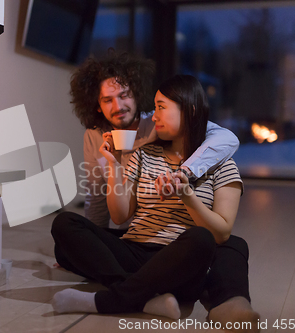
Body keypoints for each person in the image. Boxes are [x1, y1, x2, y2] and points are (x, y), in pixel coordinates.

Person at [53, 75, 260, 332]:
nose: (154, 116)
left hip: (179, 261)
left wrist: (187, 195)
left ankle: (110, 299)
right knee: (65, 224)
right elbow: (119, 216)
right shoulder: (144, 153)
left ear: (190, 110)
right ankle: (145, 297)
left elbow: (222, 232)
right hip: (136, 250)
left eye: (161, 107)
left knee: (204, 239)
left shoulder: (222, 163)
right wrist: (114, 164)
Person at [72, 51, 239, 229]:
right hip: (130, 231)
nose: (118, 106)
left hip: (168, 229)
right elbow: (96, 196)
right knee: (70, 226)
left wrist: (186, 172)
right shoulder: (94, 136)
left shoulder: (159, 124)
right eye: (107, 100)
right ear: (97, 106)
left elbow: (227, 138)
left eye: (124, 95)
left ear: (136, 93)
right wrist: (94, 241)